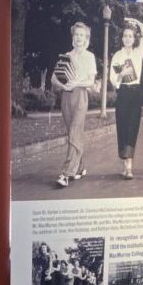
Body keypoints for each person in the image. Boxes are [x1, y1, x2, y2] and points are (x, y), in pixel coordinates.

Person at [51, 21, 97, 188]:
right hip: (66, 96)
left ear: (86, 38)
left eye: (82, 35)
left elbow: (91, 81)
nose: (79, 38)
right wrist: (63, 86)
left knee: (74, 132)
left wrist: (76, 83)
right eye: (76, 34)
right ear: (73, 37)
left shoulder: (90, 57)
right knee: (73, 134)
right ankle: (80, 168)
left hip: (80, 96)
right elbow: (53, 79)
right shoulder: (66, 56)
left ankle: (66, 174)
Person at [109, 16, 143, 180]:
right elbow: (113, 78)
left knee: (133, 127)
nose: (127, 38)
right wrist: (121, 75)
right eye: (125, 35)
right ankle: (125, 163)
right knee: (123, 126)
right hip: (123, 93)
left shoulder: (139, 52)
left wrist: (135, 22)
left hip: (135, 93)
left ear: (134, 39)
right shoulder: (117, 55)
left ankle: (129, 167)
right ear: (122, 38)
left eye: (130, 36)